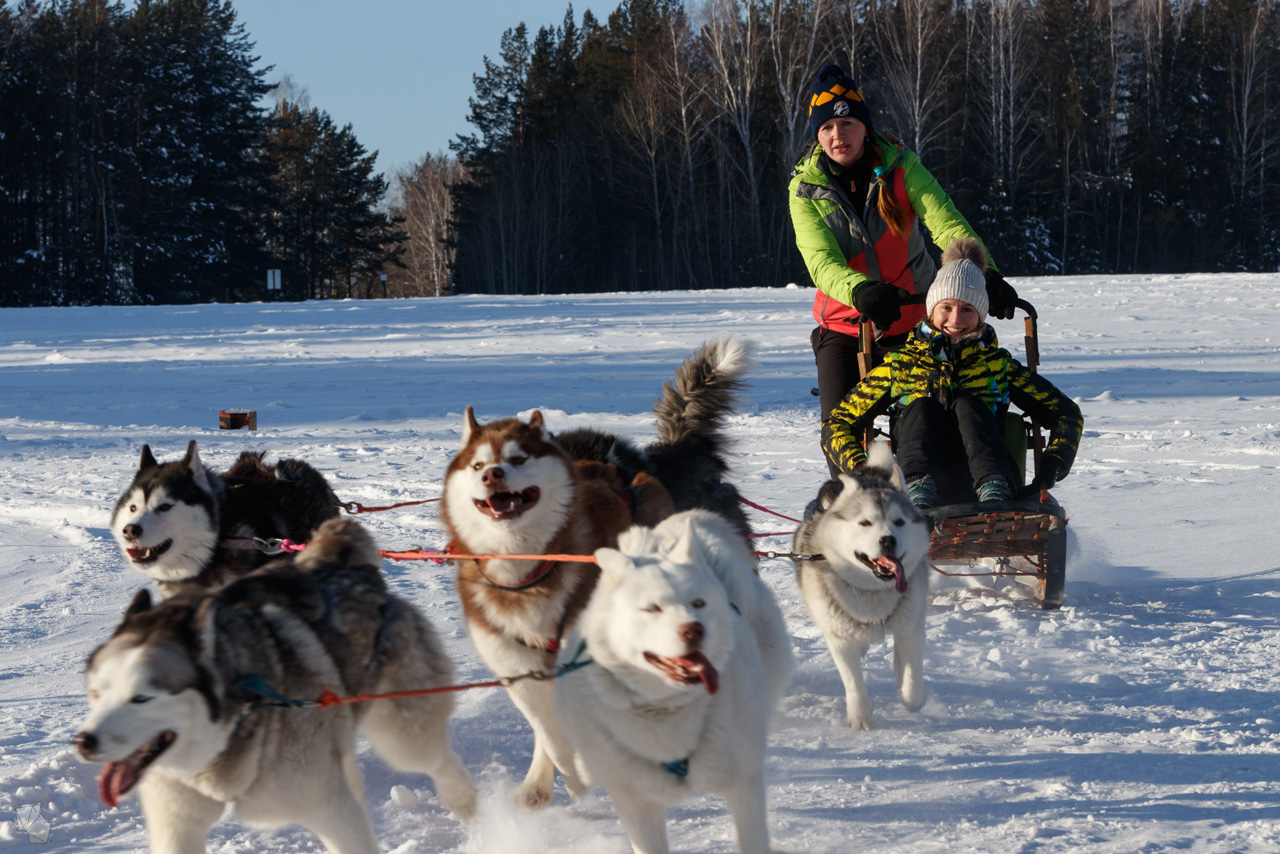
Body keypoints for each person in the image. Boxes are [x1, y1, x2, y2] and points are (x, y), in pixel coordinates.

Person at [788, 63, 1019, 478]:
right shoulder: (804, 189)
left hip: (915, 321)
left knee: (935, 413)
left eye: (847, 123)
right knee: (839, 427)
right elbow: (822, 262)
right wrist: (862, 291)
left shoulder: (902, 166)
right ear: (817, 136)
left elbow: (946, 224)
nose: (838, 135)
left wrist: (984, 275)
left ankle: (946, 493)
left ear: (865, 128)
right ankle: (859, 498)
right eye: (827, 128)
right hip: (845, 325)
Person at [820, 238, 1083, 509]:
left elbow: (1067, 414)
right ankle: (918, 491)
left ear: (980, 315)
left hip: (995, 488)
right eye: (946, 307)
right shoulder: (901, 365)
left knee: (968, 405)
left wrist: (1053, 464)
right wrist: (865, 473)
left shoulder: (996, 364)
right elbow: (835, 424)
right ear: (931, 311)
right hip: (915, 489)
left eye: (967, 309)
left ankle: (993, 488)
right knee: (920, 407)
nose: (955, 319)